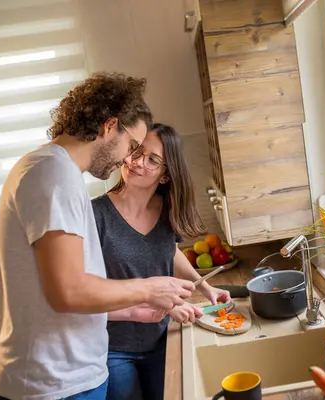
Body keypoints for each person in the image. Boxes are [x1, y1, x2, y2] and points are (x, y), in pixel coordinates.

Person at [0, 73, 196, 400]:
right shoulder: (54, 174)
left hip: (66, 379)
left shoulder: (54, 171)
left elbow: (61, 289)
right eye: (131, 146)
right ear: (109, 126)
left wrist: (132, 310)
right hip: (54, 384)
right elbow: (68, 290)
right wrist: (148, 287)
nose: (128, 159)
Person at [91, 123, 232, 400]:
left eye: (152, 160)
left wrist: (206, 289)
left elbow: (169, 251)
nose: (136, 162)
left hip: (163, 338)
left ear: (166, 175)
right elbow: (88, 290)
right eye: (136, 151)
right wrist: (166, 307)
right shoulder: (95, 215)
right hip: (114, 348)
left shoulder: (167, 210)